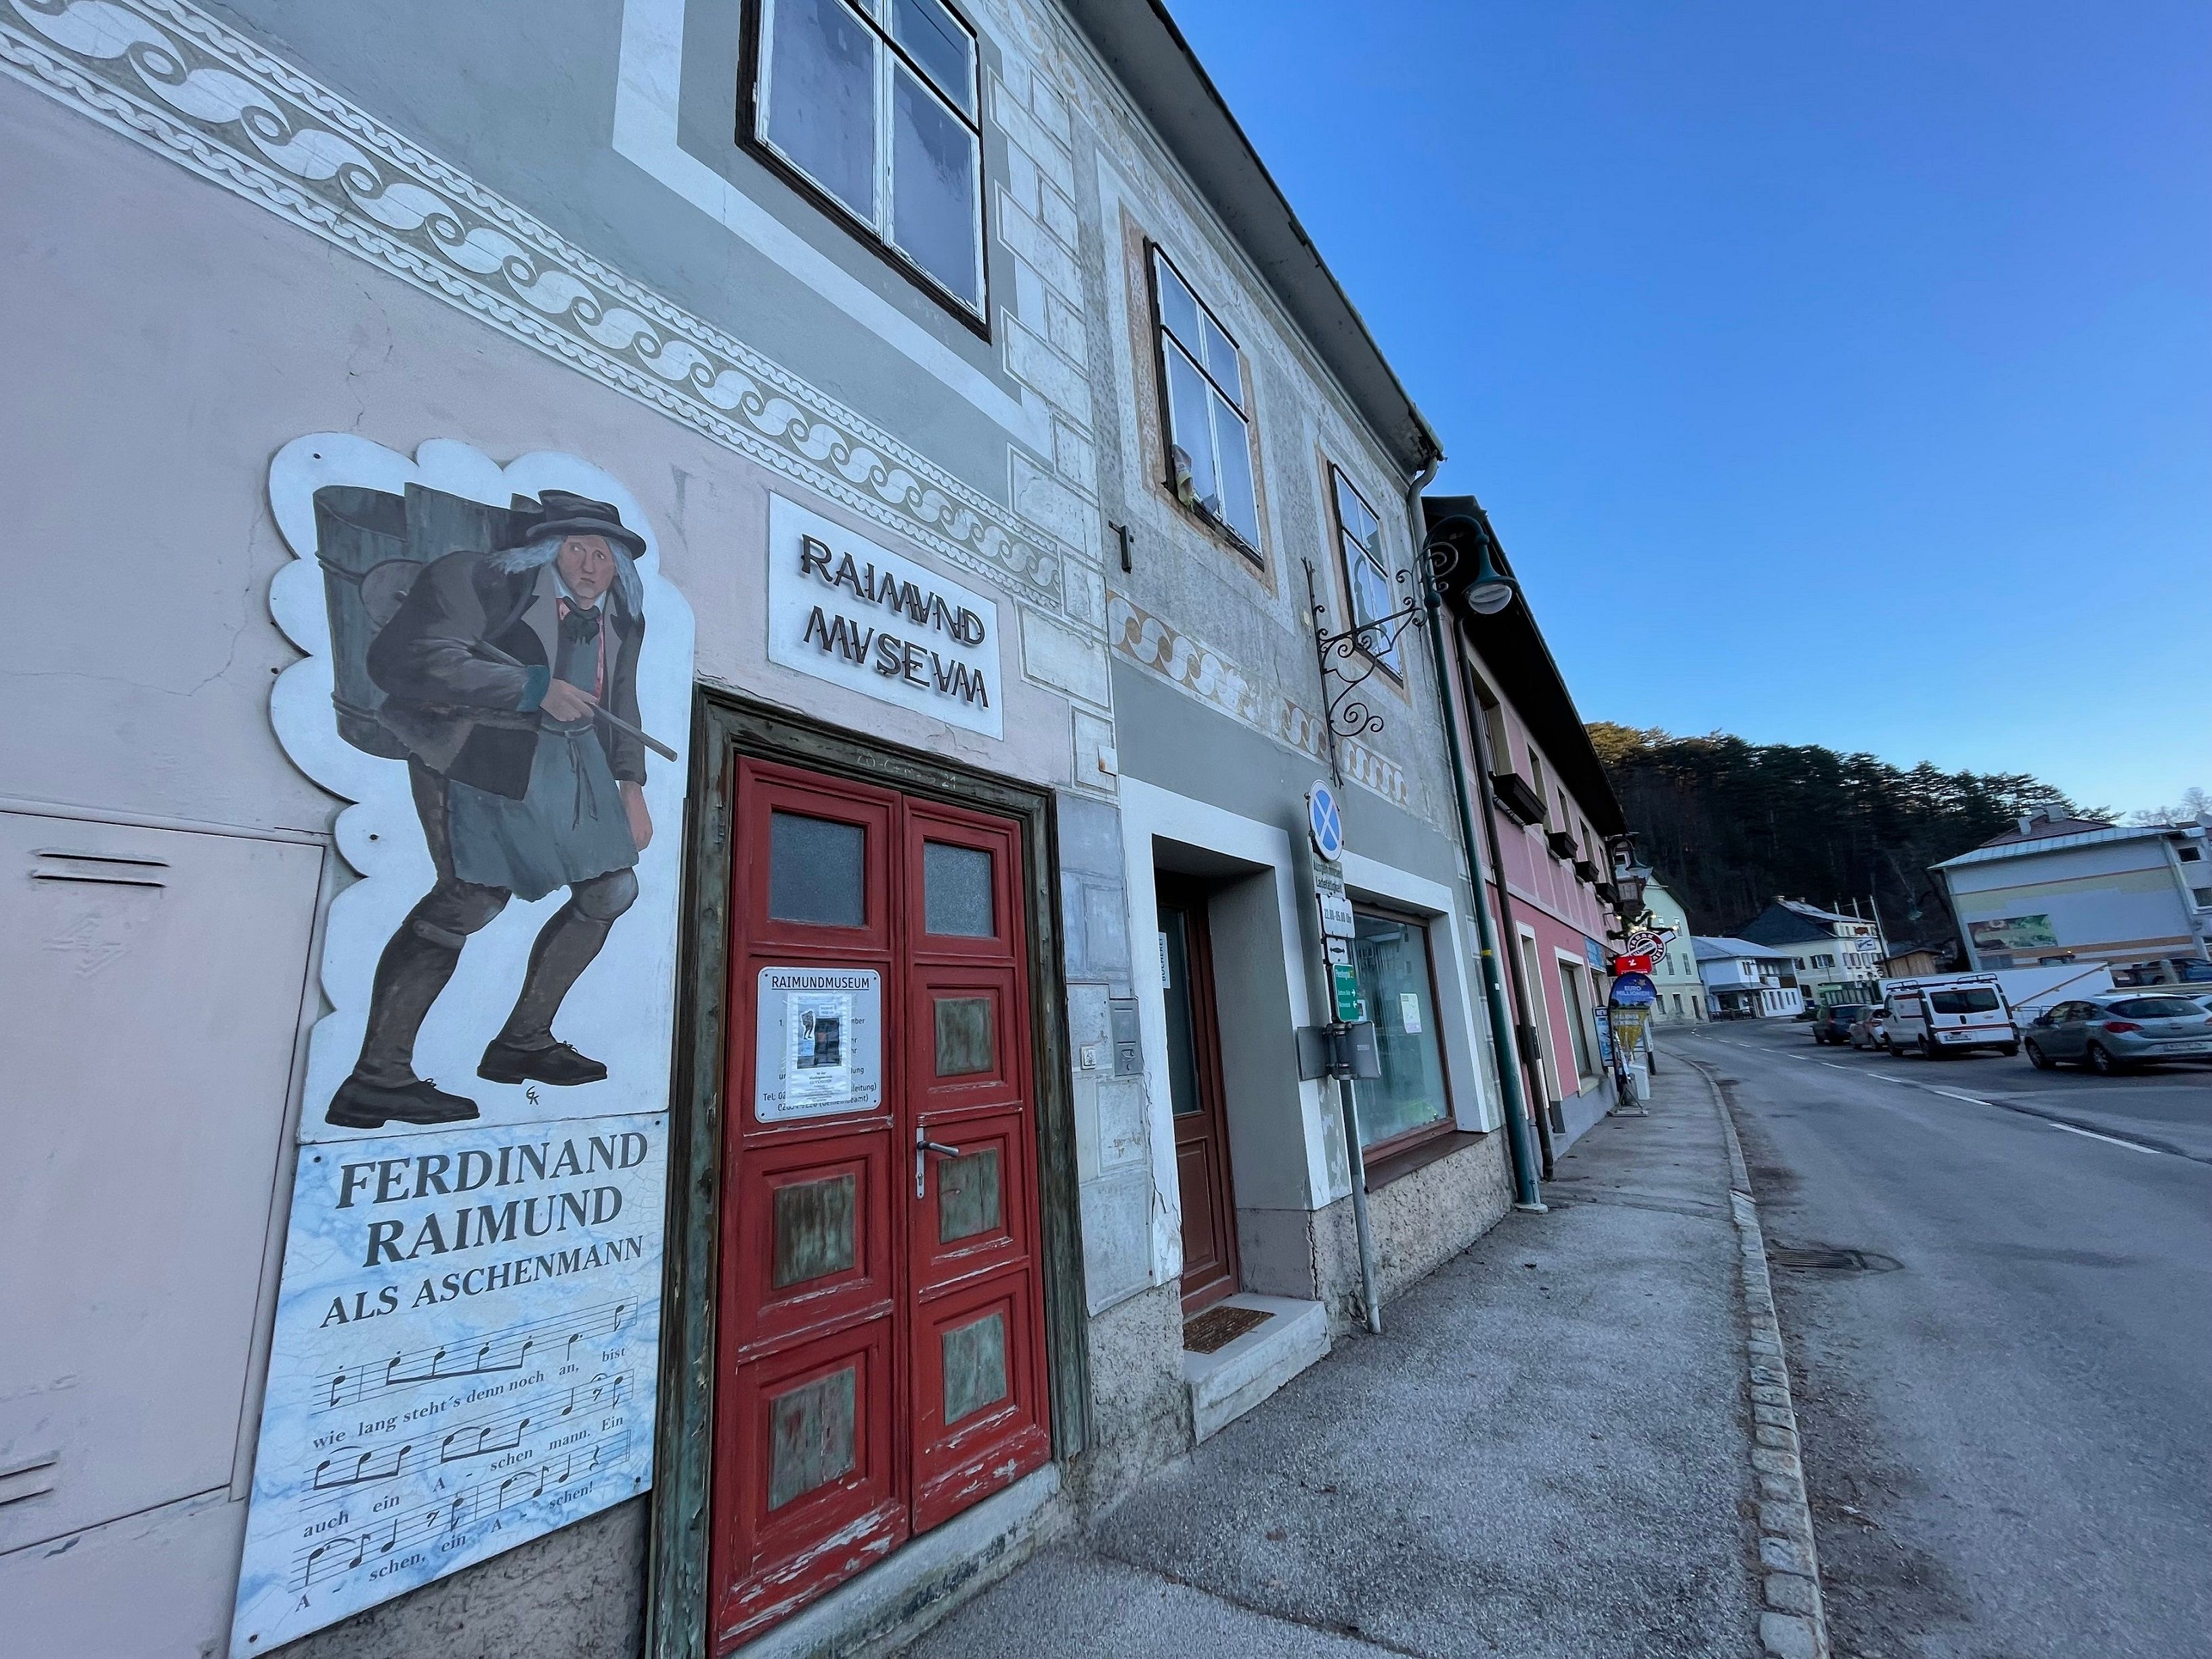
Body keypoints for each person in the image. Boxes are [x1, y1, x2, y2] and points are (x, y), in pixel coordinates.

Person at [326, 492, 653, 1129]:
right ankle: (376, 1079)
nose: (590, 566)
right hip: (476, 748)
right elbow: (408, 659)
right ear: (546, 550)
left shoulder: (621, 616)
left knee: (613, 889)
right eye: (576, 549)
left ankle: (522, 1042)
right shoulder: (476, 580)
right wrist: (530, 687)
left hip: (570, 759)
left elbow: (621, 698)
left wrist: (631, 785)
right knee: (471, 900)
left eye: (604, 555)